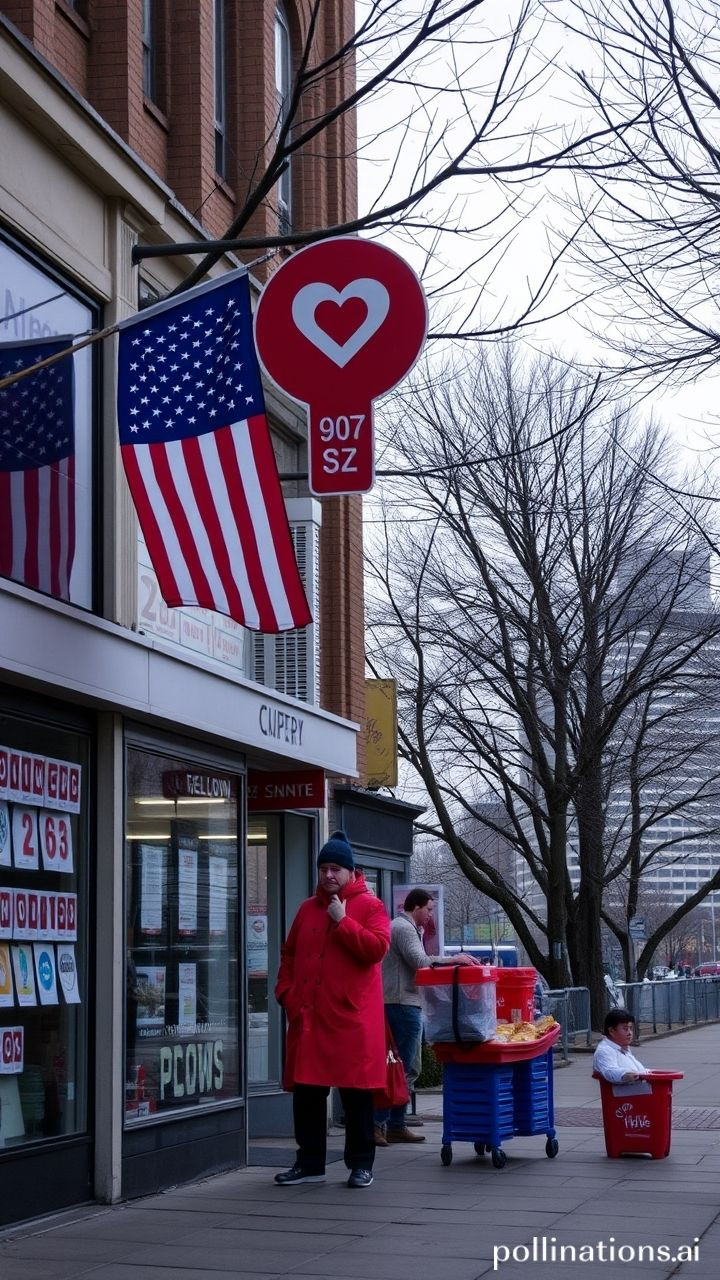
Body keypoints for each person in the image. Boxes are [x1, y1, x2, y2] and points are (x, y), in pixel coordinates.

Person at [274, 830, 390, 1189]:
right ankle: (310, 1163)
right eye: (323, 868)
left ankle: (361, 1164)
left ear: (350, 872)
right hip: (309, 1017)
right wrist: (286, 994)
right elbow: (289, 954)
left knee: (356, 1095)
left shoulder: (370, 906)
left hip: (350, 1019)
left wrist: (343, 920)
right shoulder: (307, 908)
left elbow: (376, 949)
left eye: (335, 869)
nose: (328, 875)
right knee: (307, 1094)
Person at [374, 889, 480, 1146]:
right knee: (402, 1067)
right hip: (402, 1004)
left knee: (405, 1066)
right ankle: (379, 1123)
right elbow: (420, 961)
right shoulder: (403, 928)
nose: (431, 915)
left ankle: (395, 1124)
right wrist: (453, 959)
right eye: (429, 909)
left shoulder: (407, 927)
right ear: (416, 907)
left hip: (403, 1002)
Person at [593, 1008, 647, 1082]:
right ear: (611, 1031)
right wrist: (625, 1075)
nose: (630, 1033)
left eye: (631, 1028)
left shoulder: (623, 1048)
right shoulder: (604, 1051)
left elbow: (640, 1070)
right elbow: (610, 1072)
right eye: (625, 1029)